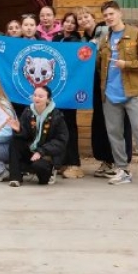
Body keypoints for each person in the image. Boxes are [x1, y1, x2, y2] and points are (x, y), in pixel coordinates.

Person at [97, 1, 138, 188]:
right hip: (110, 94)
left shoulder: (136, 34)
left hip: (134, 92)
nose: (108, 17)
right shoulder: (104, 39)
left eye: (111, 13)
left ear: (120, 13)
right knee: (115, 133)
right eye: (105, 15)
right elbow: (97, 64)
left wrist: (127, 65)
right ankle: (122, 170)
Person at [77, 6, 131, 178]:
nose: (84, 20)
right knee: (100, 122)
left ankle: (120, 162)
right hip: (96, 86)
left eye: (86, 16)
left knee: (119, 123)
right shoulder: (84, 39)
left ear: (93, 17)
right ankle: (105, 160)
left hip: (113, 84)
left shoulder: (106, 31)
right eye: (80, 18)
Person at [7, 86, 69, 187]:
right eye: (35, 95)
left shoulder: (56, 115)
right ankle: (15, 178)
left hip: (46, 155)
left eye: (41, 96)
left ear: (48, 99)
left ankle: (47, 174)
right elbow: (25, 135)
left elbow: (61, 140)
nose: (37, 98)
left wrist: (41, 151)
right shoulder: (28, 111)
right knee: (14, 141)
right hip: (31, 150)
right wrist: (19, 130)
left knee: (39, 166)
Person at [52, 11, 83, 178]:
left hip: (70, 89)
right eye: (67, 21)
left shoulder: (78, 41)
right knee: (58, 125)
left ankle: (74, 162)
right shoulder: (56, 38)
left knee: (70, 125)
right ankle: (61, 162)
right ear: (62, 23)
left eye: (73, 22)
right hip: (57, 89)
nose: (69, 24)